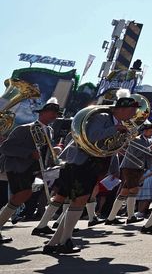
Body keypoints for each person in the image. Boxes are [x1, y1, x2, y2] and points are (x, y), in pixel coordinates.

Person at [44, 90, 136, 255]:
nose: (135, 114)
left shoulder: (113, 121)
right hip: (80, 163)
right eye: (133, 111)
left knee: (78, 202)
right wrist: (115, 128)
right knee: (78, 202)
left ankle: (54, 242)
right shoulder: (102, 118)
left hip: (92, 165)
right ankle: (64, 241)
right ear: (122, 109)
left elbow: (106, 145)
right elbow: (93, 135)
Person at [0, 99, 62, 243]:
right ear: (42, 113)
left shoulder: (50, 131)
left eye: (56, 114)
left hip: (34, 169)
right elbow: (6, 148)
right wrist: (29, 153)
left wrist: (48, 165)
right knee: (22, 194)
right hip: (17, 167)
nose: (54, 116)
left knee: (22, 196)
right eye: (52, 112)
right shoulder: (24, 128)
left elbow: (45, 151)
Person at [106, 122, 152, 225]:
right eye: (150, 131)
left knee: (125, 192)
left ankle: (111, 218)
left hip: (138, 167)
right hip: (131, 167)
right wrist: (150, 148)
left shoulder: (149, 140)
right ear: (145, 131)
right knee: (134, 190)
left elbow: (148, 156)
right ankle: (130, 217)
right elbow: (137, 153)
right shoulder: (137, 139)